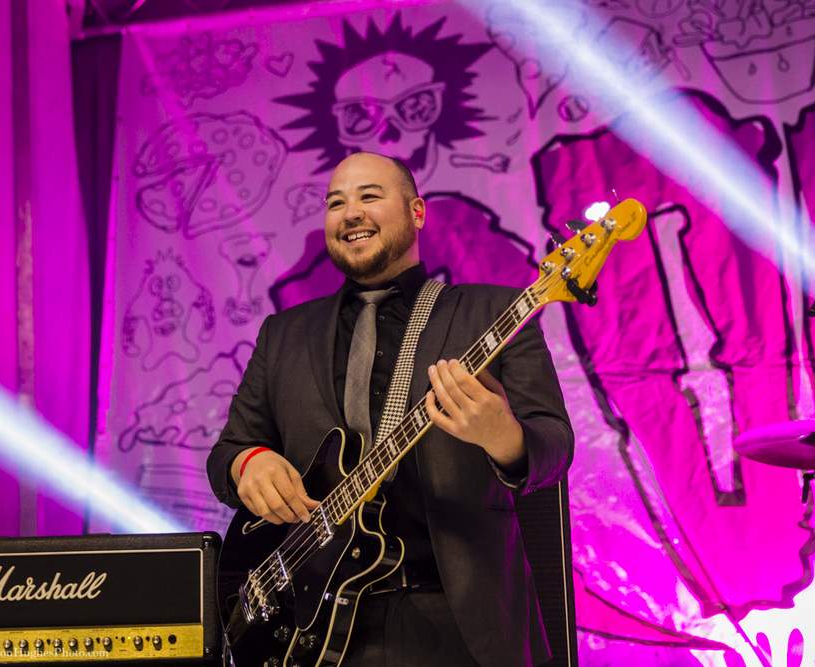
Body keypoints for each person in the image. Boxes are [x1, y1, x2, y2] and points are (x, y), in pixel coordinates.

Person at [207, 151, 573, 667]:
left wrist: (504, 438)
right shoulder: (284, 333)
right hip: (308, 628)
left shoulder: (493, 312)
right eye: (336, 203)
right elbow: (228, 452)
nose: (350, 212)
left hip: (456, 623)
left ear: (417, 213)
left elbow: (554, 448)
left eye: (370, 196)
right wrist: (248, 464)